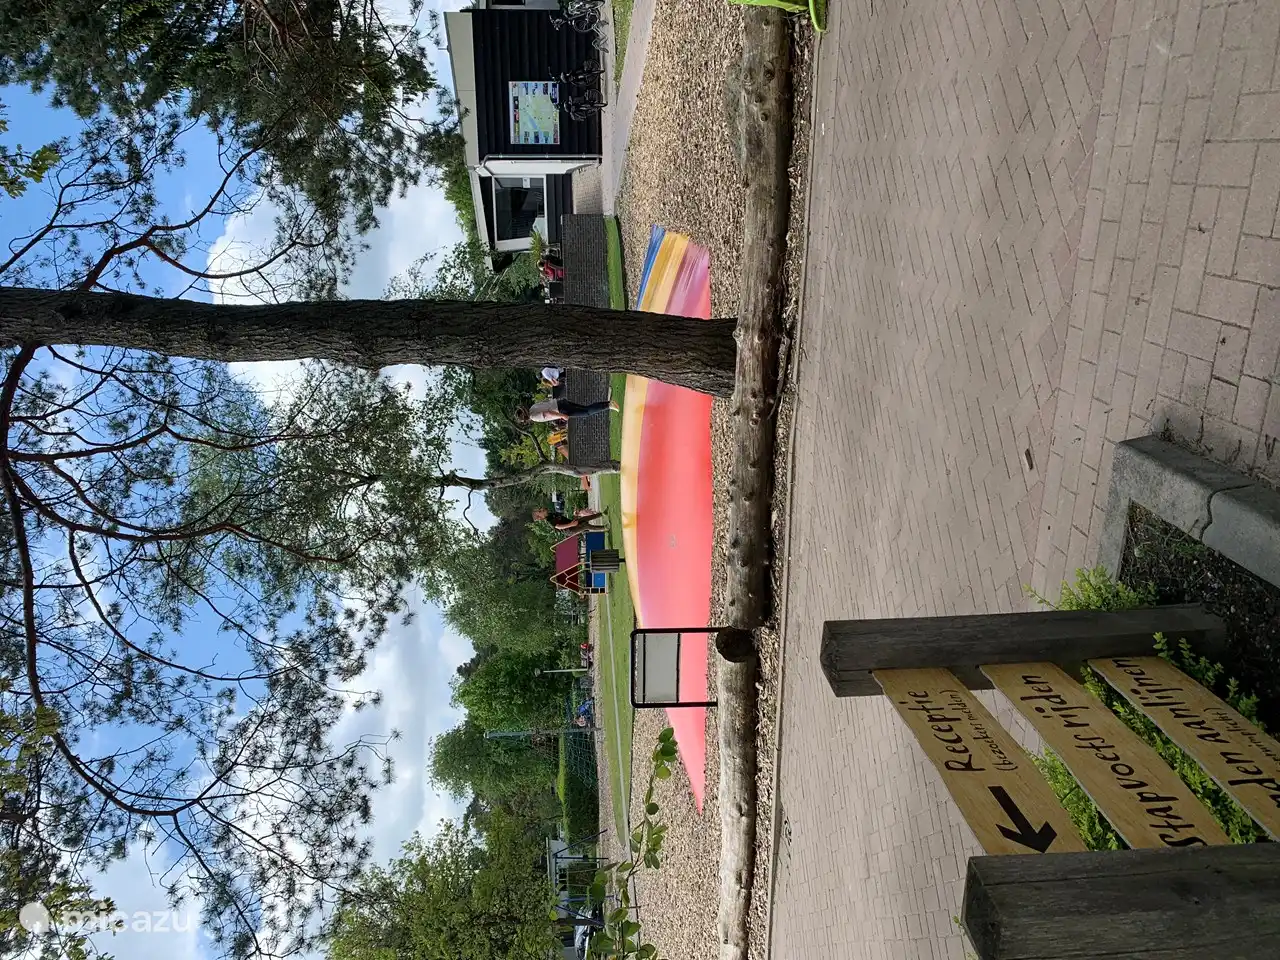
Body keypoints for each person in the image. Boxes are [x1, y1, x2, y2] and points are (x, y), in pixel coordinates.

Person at [517, 397, 618, 424]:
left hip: (561, 410)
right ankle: (608, 403)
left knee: (586, 412)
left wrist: (562, 416)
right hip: (561, 402)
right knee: (586, 408)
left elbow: (548, 413)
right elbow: (546, 403)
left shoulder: (533, 417)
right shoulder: (532, 407)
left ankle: (608, 405)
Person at [532, 506, 606, 533]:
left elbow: (565, 520)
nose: (541, 509)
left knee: (585, 518)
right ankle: (604, 527)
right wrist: (571, 524)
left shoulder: (551, 514)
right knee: (585, 526)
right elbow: (558, 527)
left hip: (571, 524)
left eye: (540, 509)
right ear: (540, 518)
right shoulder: (549, 520)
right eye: (540, 511)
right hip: (570, 530)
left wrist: (575, 515)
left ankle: (602, 514)